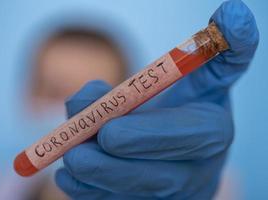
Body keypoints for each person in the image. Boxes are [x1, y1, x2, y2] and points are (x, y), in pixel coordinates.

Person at [55, 0, 259, 199]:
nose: (77, 114)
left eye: (106, 97)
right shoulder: (22, 186)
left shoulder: (220, 188)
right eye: (50, 89)